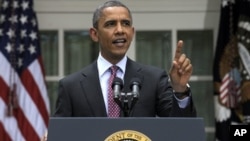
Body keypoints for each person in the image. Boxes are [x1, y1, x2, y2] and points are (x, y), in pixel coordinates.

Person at [53, 0, 196, 118]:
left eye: (126, 24)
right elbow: (62, 133)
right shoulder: (70, 86)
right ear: (94, 34)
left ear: (132, 33)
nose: (120, 30)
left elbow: (179, 129)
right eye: (111, 24)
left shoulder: (154, 79)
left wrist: (179, 89)